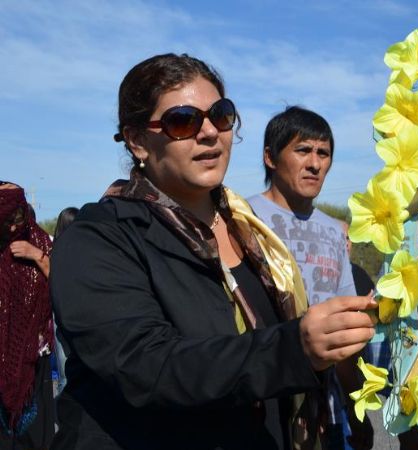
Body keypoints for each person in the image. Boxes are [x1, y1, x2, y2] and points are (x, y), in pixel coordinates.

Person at [49, 53, 376, 450]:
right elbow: (147, 366)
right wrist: (294, 348)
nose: (209, 133)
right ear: (137, 141)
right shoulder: (98, 238)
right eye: (183, 120)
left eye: (220, 115)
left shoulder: (249, 229)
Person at [247, 106, 371, 450]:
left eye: (323, 153)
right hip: (262, 403)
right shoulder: (242, 220)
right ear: (270, 158)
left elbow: (346, 327)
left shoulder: (334, 232)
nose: (315, 164)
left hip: (326, 413)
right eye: (302, 150)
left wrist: (354, 406)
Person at [0, 181, 56, 450]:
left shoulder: (41, 241)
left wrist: (38, 257)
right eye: (7, 222)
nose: (13, 228)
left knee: (34, 431)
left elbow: (64, 284)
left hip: (35, 354)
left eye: (17, 220)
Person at [51, 207, 78, 397]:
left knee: (64, 374)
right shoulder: (85, 251)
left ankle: (62, 422)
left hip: (58, 315)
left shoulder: (51, 252)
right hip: (76, 315)